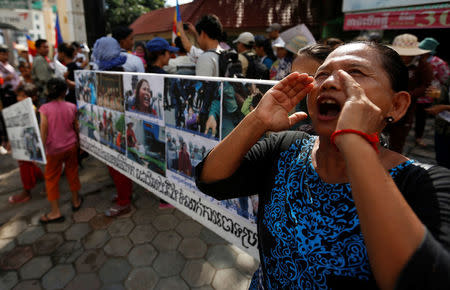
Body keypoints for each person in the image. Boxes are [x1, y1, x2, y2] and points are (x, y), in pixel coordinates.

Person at [195, 42, 450, 288]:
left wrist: (354, 142)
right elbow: (210, 180)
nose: (328, 82)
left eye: (355, 72)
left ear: (397, 104)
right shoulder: (286, 148)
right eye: (322, 74)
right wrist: (257, 120)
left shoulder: (426, 184)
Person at [92, 36, 133, 217]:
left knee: (118, 166)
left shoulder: (115, 75)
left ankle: (124, 202)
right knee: (116, 166)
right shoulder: (121, 72)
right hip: (113, 128)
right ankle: (123, 195)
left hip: (117, 131)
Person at [39, 78, 82, 223]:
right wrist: (79, 144)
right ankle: (76, 201)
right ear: (65, 92)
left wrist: (41, 149)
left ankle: (55, 212)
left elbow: (43, 130)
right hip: (70, 146)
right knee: (72, 172)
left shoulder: (44, 109)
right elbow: (76, 127)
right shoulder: (71, 106)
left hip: (53, 150)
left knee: (51, 179)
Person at [389, 34, 433, 151]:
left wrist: (406, 96)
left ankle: (394, 164)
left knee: (399, 136)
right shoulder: (390, 62)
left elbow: (425, 86)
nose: (403, 57)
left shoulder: (423, 66)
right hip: (385, 101)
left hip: (407, 105)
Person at [8, 84, 44, 204]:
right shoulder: (21, 107)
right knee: (28, 162)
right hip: (22, 139)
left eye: (23, 96)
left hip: (28, 140)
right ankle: (41, 177)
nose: (19, 98)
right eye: (18, 95)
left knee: (25, 163)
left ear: (33, 98)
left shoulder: (31, 109)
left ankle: (26, 192)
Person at [31, 39, 54, 104]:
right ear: (38, 49)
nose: (47, 49)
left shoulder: (44, 58)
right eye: (44, 47)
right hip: (44, 94)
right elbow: (44, 78)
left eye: (47, 47)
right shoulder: (39, 60)